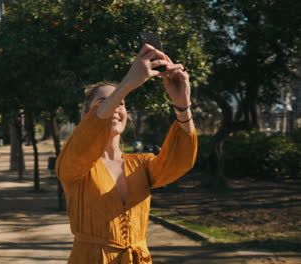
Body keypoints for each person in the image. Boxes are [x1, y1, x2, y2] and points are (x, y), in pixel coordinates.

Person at [55, 44, 198, 264]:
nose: (115, 107)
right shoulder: (73, 164)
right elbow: (83, 144)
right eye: (104, 102)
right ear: (86, 116)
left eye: (121, 103)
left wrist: (182, 104)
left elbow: (181, 160)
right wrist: (126, 85)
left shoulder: (142, 164)